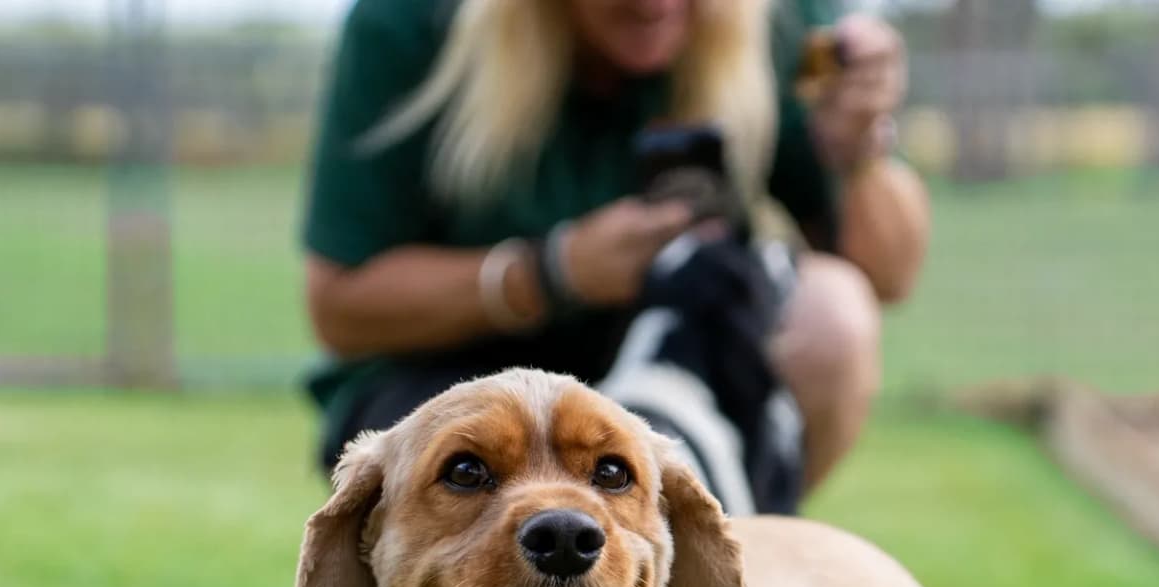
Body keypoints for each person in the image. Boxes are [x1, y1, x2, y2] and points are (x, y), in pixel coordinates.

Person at [299, 0, 930, 512]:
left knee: (832, 313)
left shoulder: (780, 21)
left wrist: (859, 148)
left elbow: (890, 275)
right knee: (507, 532)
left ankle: (733, 561)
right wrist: (552, 272)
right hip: (452, 377)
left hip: (675, 365)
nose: (653, 4)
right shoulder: (408, 21)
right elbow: (339, 306)